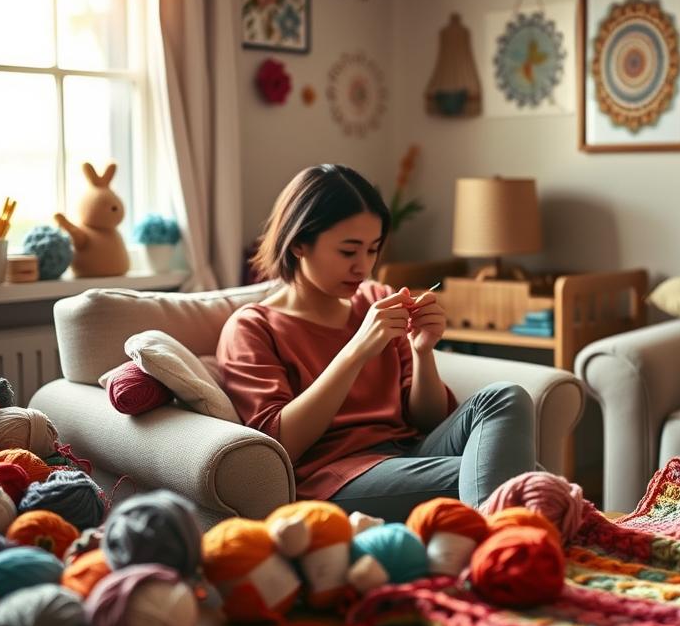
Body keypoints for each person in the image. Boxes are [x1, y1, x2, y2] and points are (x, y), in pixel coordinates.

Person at [217, 164, 536, 521]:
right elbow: (280, 446)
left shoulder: (375, 299)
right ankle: (505, 548)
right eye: (348, 251)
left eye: (372, 249)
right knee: (519, 475)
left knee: (505, 397)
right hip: (334, 479)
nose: (363, 267)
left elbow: (428, 418)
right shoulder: (253, 327)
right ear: (298, 245)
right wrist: (356, 350)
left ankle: (498, 534)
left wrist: (422, 351)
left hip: (409, 452)